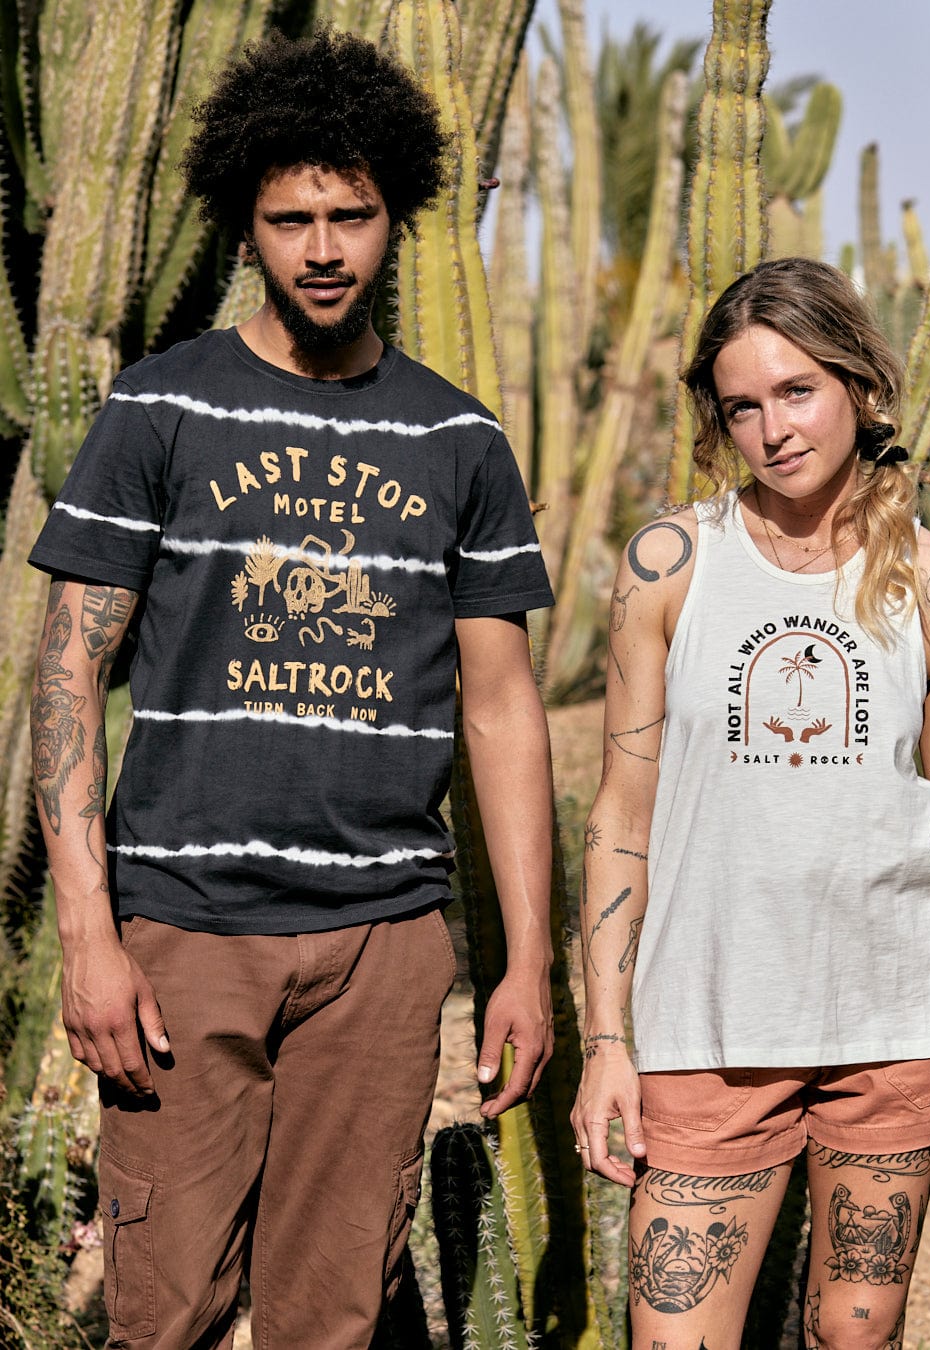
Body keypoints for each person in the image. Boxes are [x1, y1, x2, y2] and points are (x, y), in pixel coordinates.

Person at [28, 26, 555, 1349]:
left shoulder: (458, 439)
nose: (323, 247)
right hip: (188, 933)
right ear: (247, 222)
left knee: (332, 1310)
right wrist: (90, 932)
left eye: (352, 216)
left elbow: (500, 708)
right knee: (169, 1309)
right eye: (291, 218)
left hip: (384, 945)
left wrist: (526, 960)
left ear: (398, 217)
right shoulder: (158, 411)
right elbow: (66, 675)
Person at [571, 256, 930, 1349]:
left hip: (896, 1022)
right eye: (744, 405)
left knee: (855, 1334)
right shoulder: (670, 564)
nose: (775, 428)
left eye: (798, 390)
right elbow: (618, 822)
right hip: (709, 1024)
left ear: (859, 384)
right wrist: (607, 1040)